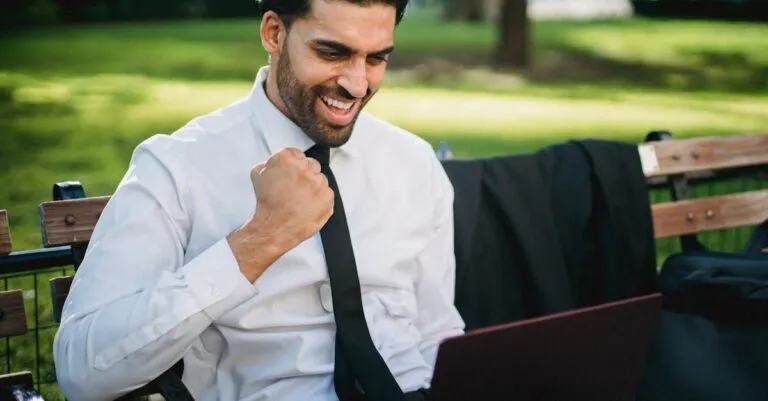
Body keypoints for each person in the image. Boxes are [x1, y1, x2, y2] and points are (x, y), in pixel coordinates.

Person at [53, 0, 465, 400]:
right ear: (273, 33)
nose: (357, 84)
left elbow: (436, 331)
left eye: (376, 58)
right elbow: (82, 375)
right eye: (331, 52)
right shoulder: (177, 167)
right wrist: (257, 241)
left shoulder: (413, 161)